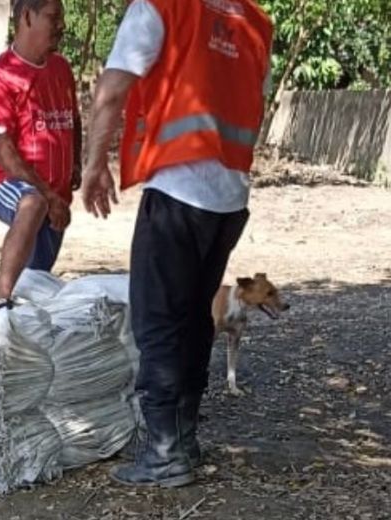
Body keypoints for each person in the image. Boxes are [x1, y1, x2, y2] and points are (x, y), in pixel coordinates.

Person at [80, 0, 274, 487]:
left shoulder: (162, 6)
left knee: (158, 320)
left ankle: (164, 451)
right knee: (192, 317)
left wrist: (94, 163)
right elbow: (255, 98)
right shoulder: (254, 21)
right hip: (229, 198)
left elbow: (112, 89)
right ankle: (184, 438)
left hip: (177, 191)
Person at [0, 0, 81, 311]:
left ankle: (16, 329)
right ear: (27, 17)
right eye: (53, 17)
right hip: (10, 184)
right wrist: (47, 194)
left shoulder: (61, 68)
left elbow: (73, 119)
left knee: (35, 282)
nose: (60, 25)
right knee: (31, 204)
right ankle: (0, 301)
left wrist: (75, 164)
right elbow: (3, 153)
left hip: (56, 196)